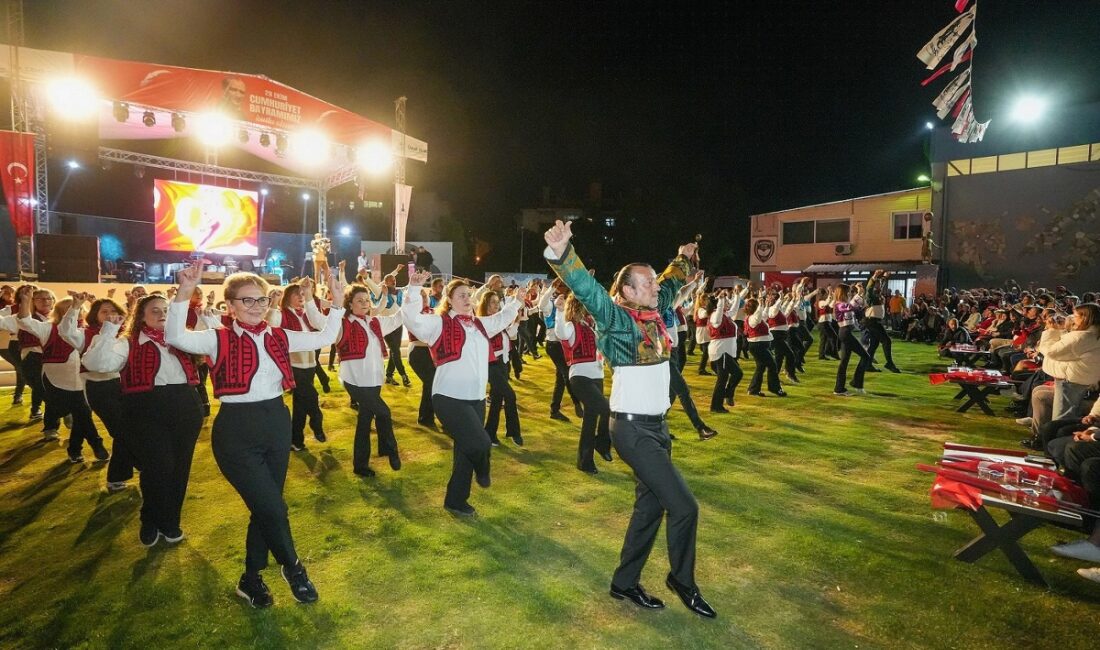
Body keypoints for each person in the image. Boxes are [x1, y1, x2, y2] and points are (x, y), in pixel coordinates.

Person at [544, 219, 716, 619]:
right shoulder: (616, 317)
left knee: (651, 508)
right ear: (627, 291)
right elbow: (587, 291)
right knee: (685, 507)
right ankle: (683, 582)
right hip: (633, 429)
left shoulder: (654, 309)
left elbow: (673, 282)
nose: (657, 287)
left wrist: (683, 259)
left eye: (655, 282)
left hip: (656, 428)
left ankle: (624, 583)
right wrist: (564, 254)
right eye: (648, 283)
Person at [166, 260, 347, 608]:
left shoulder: (278, 334)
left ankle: (251, 580)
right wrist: (185, 292)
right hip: (236, 430)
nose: (255, 306)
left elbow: (326, 336)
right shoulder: (216, 337)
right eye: (246, 301)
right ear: (230, 306)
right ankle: (293, 569)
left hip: (277, 421)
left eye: (261, 299)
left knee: (264, 508)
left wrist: (336, 303)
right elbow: (176, 336)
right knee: (273, 507)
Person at [82, 293, 204, 546]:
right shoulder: (127, 342)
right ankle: (150, 519)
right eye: (155, 311)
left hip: (185, 406)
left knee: (180, 469)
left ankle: (171, 522)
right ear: (141, 316)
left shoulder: (181, 339)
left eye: (166, 310)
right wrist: (108, 330)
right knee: (158, 467)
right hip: (145, 410)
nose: (162, 315)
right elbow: (96, 362)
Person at [401, 271, 521, 517]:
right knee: (480, 442)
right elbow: (412, 321)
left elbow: (501, 319)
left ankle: (456, 501)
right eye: (461, 295)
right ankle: (484, 470)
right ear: (449, 299)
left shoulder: (478, 323)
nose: (467, 299)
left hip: (476, 398)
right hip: (449, 398)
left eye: (468, 295)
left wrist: (516, 301)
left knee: (465, 450)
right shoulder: (438, 322)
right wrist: (413, 290)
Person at [60, 292, 137, 490]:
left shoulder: (125, 334)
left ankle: (126, 471)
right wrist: (75, 306)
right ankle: (122, 473)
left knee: (130, 430)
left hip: (127, 387)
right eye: (104, 312)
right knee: (122, 432)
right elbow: (65, 331)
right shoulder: (86, 334)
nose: (110, 315)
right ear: (95, 315)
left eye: (113, 311)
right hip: (99, 388)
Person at [17, 294, 108, 462]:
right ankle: (92, 445)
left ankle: (77, 449)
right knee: (81, 412)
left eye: (78, 307)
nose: (75, 311)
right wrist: (25, 300)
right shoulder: (48, 328)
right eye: (69, 308)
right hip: (58, 380)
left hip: (82, 378)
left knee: (82, 413)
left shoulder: (88, 330)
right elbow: (24, 321)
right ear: (59, 312)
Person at [337, 283, 404, 476]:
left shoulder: (375, 322)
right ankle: (390, 450)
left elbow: (398, 318)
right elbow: (319, 322)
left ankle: (360, 465)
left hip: (374, 381)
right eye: (359, 300)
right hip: (355, 382)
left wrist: (413, 293)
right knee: (383, 412)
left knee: (364, 421)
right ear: (350, 304)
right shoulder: (343, 324)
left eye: (367, 300)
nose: (365, 303)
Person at [266, 278, 329, 451]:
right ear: (288, 297)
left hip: (309, 365)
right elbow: (271, 324)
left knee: (300, 405)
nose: (301, 297)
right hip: (293, 367)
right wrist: (274, 303)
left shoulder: (306, 314)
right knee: (312, 397)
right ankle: (317, 425)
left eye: (302, 294)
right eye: (297, 294)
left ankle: (296, 440)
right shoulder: (282, 313)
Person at [554, 293, 611, 473]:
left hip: (597, 375)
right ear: (577, 307)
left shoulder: (592, 325)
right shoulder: (571, 325)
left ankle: (585, 462)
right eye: (586, 305)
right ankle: (601, 443)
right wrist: (560, 310)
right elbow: (561, 333)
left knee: (590, 419)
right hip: (580, 377)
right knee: (607, 409)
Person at [480, 290, 523, 447]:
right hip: (492, 364)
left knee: (497, 400)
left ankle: (490, 433)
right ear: (485, 304)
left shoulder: (498, 321)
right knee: (510, 395)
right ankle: (514, 431)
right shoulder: (485, 322)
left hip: (503, 363)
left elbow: (510, 335)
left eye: (498, 302)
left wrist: (516, 321)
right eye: (492, 302)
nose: (496, 305)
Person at [832, 284, 873, 396]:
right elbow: (850, 307)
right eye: (848, 292)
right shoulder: (838, 304)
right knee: (865, 356)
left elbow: (855, 308)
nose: (850, 293)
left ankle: (839, 389)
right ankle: (856, 383)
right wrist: (859, 294)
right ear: (843, 293)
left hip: (846, 333)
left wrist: (861, 295)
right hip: (845, 333)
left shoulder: (843, 303)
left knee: (844, 362)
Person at [708, 290, 744, 412]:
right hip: (720, 351)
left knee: (736, 374)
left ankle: (727, 395)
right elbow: (718, 316)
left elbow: (734, 310)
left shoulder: (726, 315)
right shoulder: (715, 316)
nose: (728, 304)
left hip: (725, 352)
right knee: (724, 378)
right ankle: (716, 406)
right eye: (726, 303)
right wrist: (721, 301)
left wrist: (738, 296)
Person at [864, 271, 900, 373]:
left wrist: (884, 277)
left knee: (874, 344)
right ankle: (889, 363)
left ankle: (868, 365)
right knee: (886, 341)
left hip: (874, 321)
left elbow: (881, 284)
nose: (880, 285)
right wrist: (874, 276)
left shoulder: (877, 293)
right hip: (873, 321)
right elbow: (869, 288)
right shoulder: (870, 295)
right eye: (878, 283)